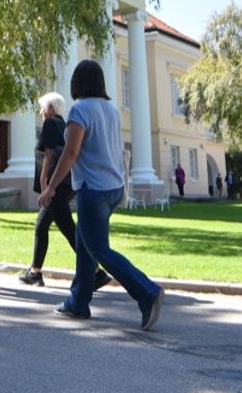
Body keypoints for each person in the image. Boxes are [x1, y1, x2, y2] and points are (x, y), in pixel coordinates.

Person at [39, 59, 164, 331]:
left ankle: (147, 292)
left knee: (98, 249)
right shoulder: (111, 110)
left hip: (93, 189)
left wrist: (50, 187)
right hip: (113, 187)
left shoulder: (80, 110)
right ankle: (78, 303)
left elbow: (70, 153)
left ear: (77, 83)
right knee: (84, 244)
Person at [19, 93, 108, 289]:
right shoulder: (65, 125)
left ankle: (96, 272)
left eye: (43, 108)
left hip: (55, 185)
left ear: (51, 108)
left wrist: (44, 184)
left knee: (69, 229)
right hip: (67, 184)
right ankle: (35, 271)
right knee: (42, 225)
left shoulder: (51, 123)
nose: (41, 112)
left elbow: (49, 154)